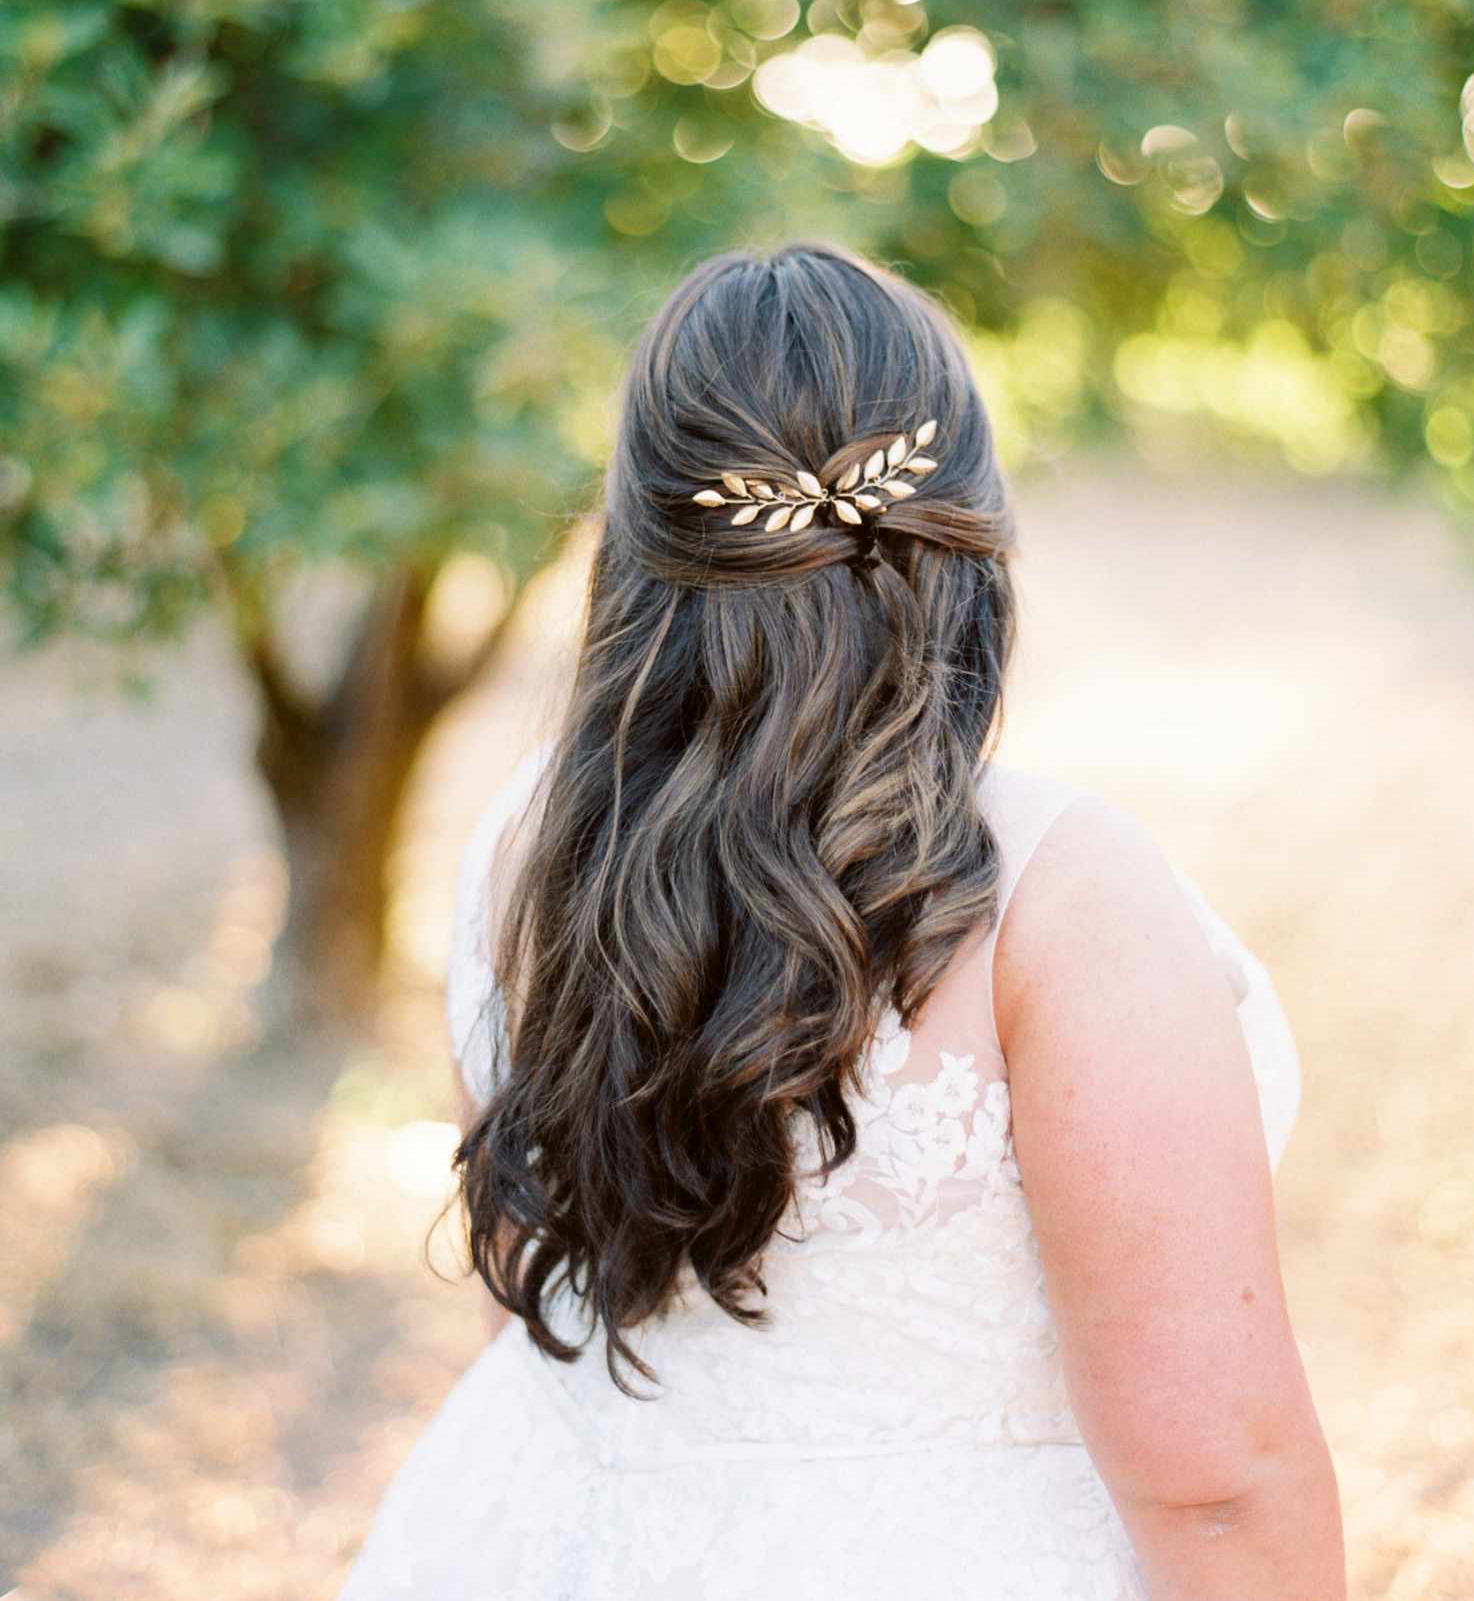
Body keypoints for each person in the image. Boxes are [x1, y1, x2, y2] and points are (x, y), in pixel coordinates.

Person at [339, 242, 1345, 1600]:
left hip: (546, 1545)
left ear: (639, 544)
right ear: (965, 536)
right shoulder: (1065, 903)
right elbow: (1218, 1487)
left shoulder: (529, 849)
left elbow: (541, 1283)